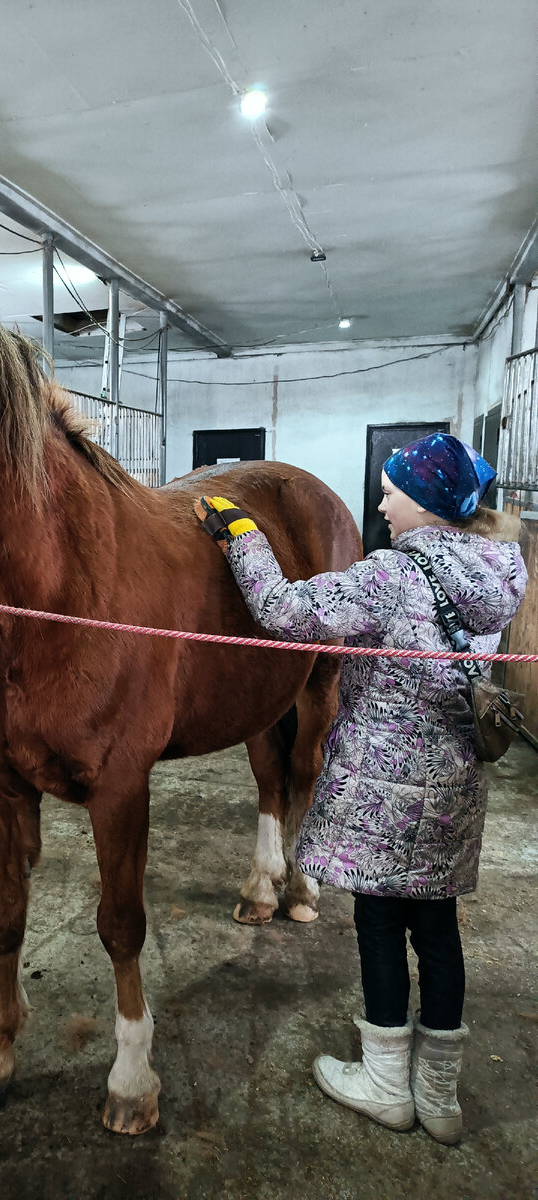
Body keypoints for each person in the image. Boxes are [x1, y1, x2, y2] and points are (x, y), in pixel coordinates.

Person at [194, 432, 528, 1144]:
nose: (381, 501)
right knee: (437, 936)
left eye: (393, 490)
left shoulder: (394, 575)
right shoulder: (499, 572)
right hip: (452, 789)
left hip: (385, 786)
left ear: (430, 505)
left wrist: (242, 533)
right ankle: (437, 1098)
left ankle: (383, 1085)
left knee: (379, 926)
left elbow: (284, 611)